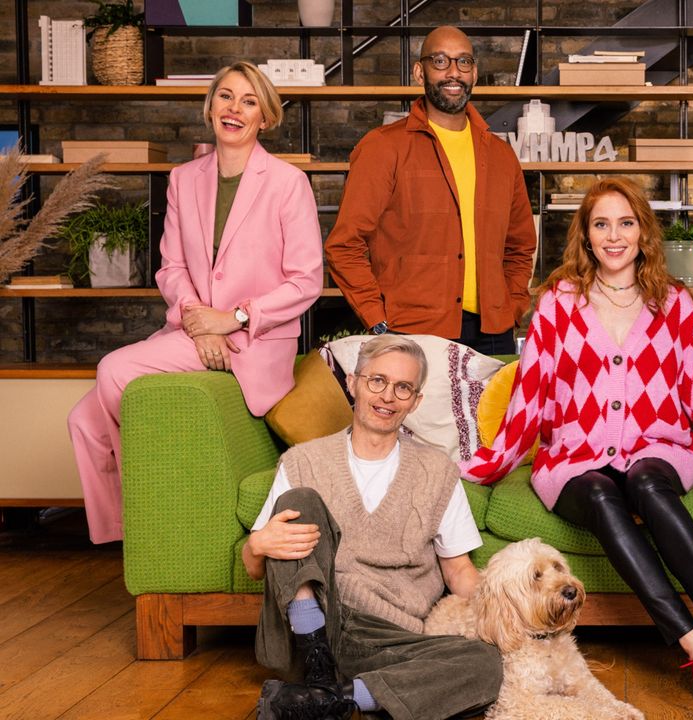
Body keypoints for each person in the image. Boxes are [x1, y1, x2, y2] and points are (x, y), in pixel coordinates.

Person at [461, 178, 693, 712]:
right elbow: (531, 393)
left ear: (642, 232)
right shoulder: (558, 302)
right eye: (600, 224)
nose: (613, 236)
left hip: (660, 448)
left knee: (648, 483)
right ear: (584, 234)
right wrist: (483, 464)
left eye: (625, 223)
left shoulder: (675, 302)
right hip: (573, 461)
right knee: (604, 493)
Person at [67, 62, 323, 544]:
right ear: (209, 108)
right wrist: (199, 323)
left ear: (264, 118)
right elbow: (171, 267)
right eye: (225, 96)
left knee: (113, 371)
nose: (234, 109)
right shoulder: (184, 178)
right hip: (193, 332)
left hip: (253, 342)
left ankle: (151, 518)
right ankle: (126, 536)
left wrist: (233, 319)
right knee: (81, 419)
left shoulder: (288, 183)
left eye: (249, 102)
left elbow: (306, 281)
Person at [245, 335, 502, 720]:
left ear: (414, 401)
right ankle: (320, 667)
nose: (387, 397)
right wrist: (257, 544)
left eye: (403, 388)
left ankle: (331, 698)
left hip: (393, 637)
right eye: (376, 381)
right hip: (318, 621)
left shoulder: (437, 472)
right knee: (299, 501)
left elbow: (459, 570)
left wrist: (511, 607)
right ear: (353, 382)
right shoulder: (304, 461)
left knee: (485, 664)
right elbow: (255, 565)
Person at [325, 25, 537, 354]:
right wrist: (378, 320)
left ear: (475, 73)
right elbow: (344, 245)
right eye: (440, 61)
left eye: (463, 62)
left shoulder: (501, 155)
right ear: (419, 72)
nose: (454, 72)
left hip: (494, 332)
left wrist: (512, 307)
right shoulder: (383, 147)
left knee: (495, 409)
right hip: (412, 332)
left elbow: (520, 247)